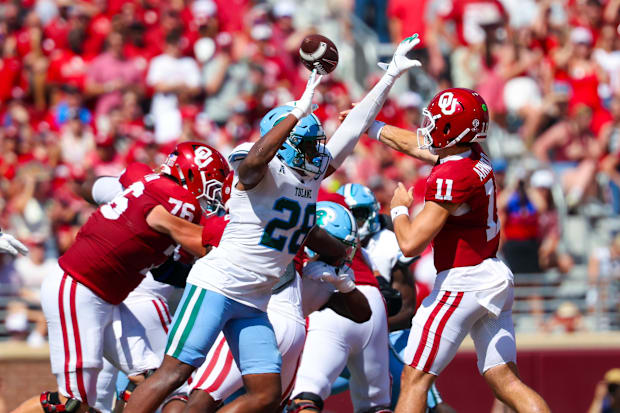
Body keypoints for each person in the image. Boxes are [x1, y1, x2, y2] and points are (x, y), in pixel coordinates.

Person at [124, 33, 424, 413]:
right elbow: (252, 165)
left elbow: (351, 130)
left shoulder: (309, 174)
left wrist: (389, 78)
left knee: (265, 396)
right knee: (174, 373)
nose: (317, 152)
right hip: (219, 284)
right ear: (280, 140)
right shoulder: (256, 165)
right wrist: (298, 111)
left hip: (257, 299)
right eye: (307, 143)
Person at [367, 87, 550, 413]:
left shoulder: (453, 176)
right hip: (493, 273)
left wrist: (398, 210)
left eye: (436, 122)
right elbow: (418, 146)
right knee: (505, 381)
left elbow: (410, 244)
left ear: (452, 131)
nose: (428, 127)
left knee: (414, 378)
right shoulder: (473, 154)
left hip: (462, 281)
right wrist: (371, 126)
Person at [36, 142, 229, 413]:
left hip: (107, 298)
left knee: (154, 378)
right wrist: (233, 239)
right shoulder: (177, 201)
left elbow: (165, 268)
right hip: (79, 288)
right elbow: (198, 243)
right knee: (72, 405)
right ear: (190, 174)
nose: (212, 198)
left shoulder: (149, 182)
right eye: (212, 186)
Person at [185, 201, 370, 413]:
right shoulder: (284, 247)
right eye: (335, 246)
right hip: (275, 327)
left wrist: (345, 285)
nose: (341, 254)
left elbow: (363, 314)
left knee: (205, 395)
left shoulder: (330, 275)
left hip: (259, 324)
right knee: (210, 396)